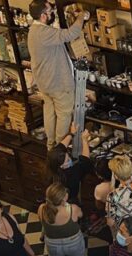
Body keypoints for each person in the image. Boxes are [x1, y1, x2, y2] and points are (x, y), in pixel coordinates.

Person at [27, 1, 86, 147]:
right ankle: (61, 147)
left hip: (45, 82)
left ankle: (51, 144)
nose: (52, 14)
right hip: (58, 82)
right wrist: (81, 17)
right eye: (50, 12)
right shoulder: (44, 33)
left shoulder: (34, 30)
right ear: (43, 16)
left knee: (50, 112)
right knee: (64, 114)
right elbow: (71, 34)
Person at [39, 183, 85, 256]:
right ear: (64, 197)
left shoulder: (41, 209)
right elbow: (81, 215)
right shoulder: (72, 209)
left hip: (53, 245)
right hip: (73, 243)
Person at [46, 123, 93, 204]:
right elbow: (85, 160)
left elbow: (61, 146)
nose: (70, 160)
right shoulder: (71, 173)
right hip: (70, 202)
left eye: (68, 157)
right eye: (67, 160)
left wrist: (72, 133)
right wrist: (85, 140)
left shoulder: (51, 162)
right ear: (62, 166)